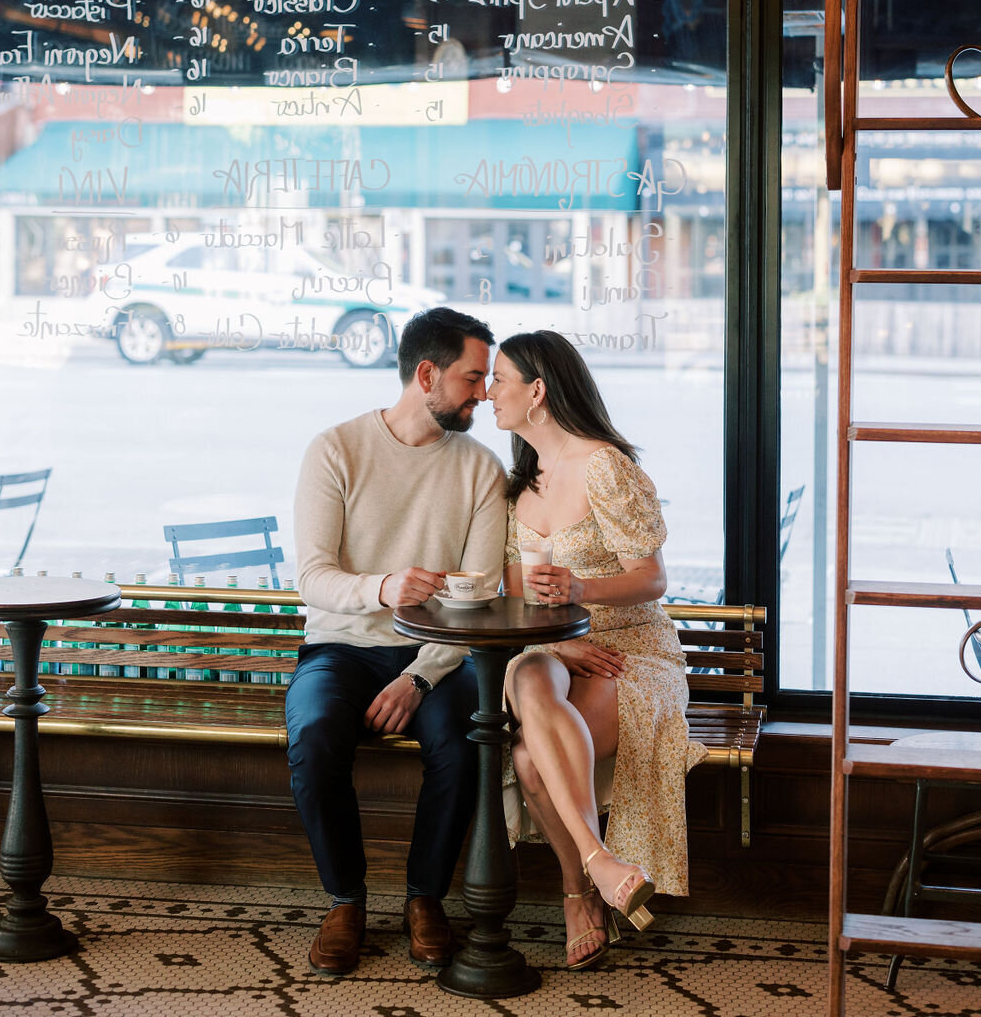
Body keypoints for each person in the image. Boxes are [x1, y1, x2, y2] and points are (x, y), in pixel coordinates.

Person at [286, 307, 507, 978]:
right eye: (473, 379)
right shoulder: (336, 449)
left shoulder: (480, 468)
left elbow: (483, 592)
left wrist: (418, 675)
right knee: (315, 732)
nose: (484, 394)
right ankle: (345, 900)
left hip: (436, 656)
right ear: (426, 373)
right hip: (341, 645)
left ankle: (425, 899)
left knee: (466, 738)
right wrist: (385, 588)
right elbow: (312, 578)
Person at [488, 330, 705, 971]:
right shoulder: (519, 485)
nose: (490, 393)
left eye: (500, 379)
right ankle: (602, 859)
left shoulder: (605, 466)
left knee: (529, 760)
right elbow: (524, 600)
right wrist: (556, 639)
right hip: (555, 647)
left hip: (630, 649)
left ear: (537, 391)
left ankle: (576, 893)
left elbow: (653, 579)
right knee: (528, 672)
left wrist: (583, 588)